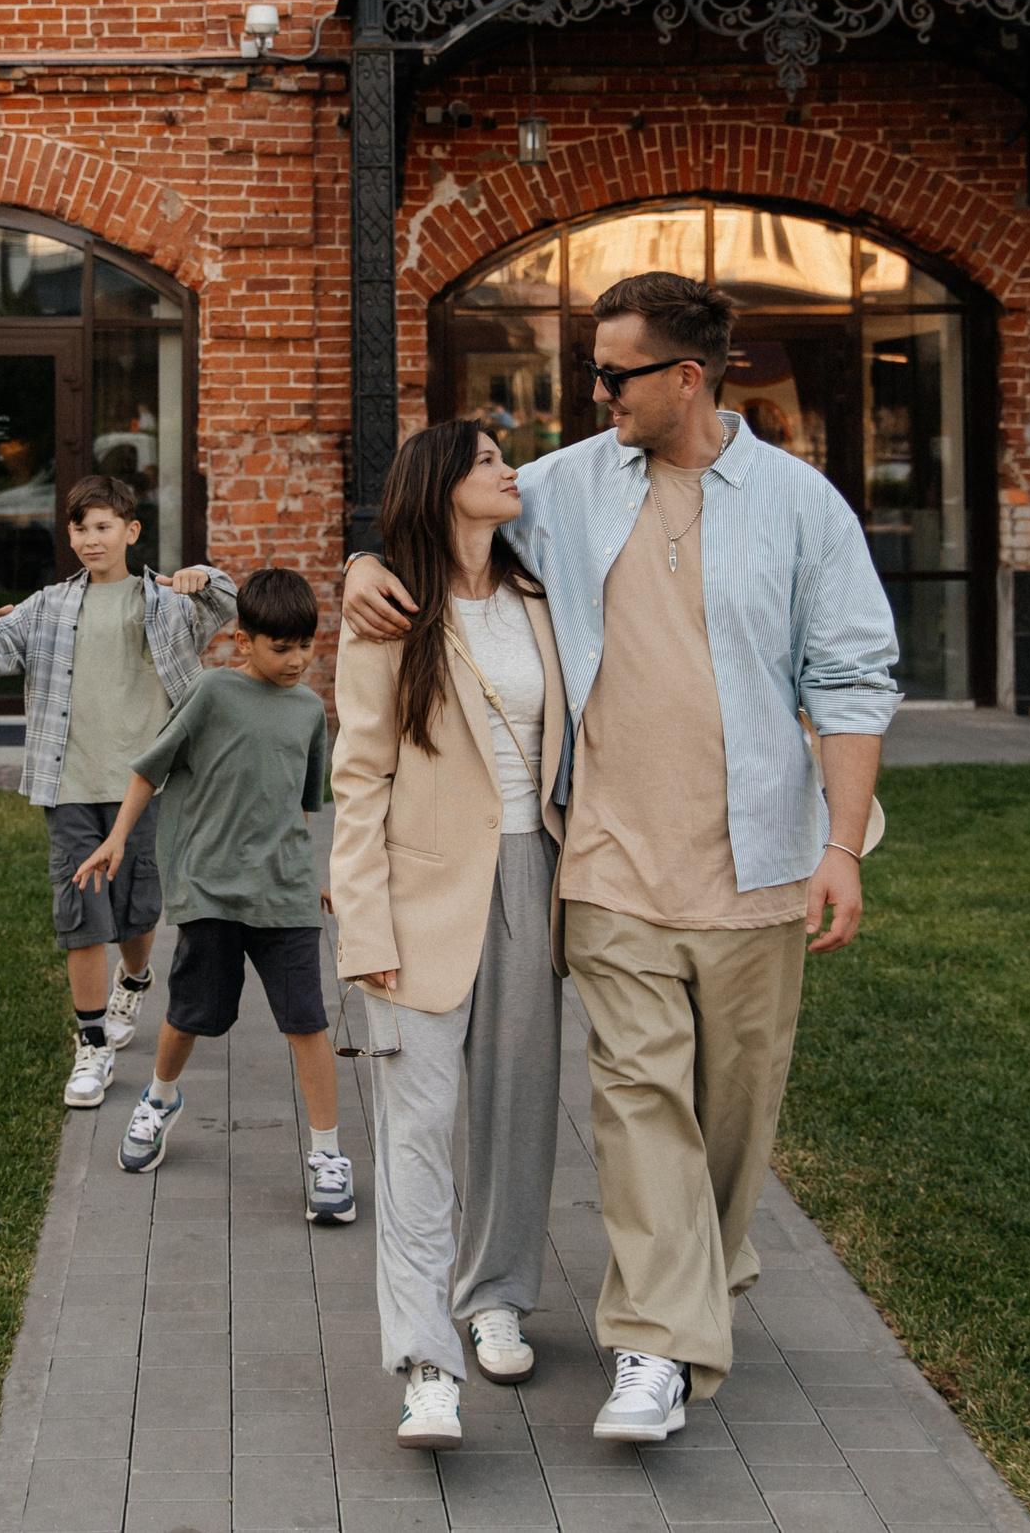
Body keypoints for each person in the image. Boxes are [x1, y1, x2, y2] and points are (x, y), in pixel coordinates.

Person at [343, 272, 898, 1441]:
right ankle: (652, 1348)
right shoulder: (563, 487)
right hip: (602, 864)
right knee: (640, 1103)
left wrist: (841, 845)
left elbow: (853, 681)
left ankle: (698, 1276)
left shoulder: (803, 508)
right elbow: (437, 522)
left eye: (612, 375)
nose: (592, 392)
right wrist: (358, 567)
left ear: (685, 379)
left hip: (759, 861)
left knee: (731, 1120)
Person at [330, 421, 569, 1451]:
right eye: (486, 460)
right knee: (417, 1130)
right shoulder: (389, 610)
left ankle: (497, 1294)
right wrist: (363, 922)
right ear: (438, 488)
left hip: (533, 873)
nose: (510, 471)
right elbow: (358, 776)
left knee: (519, 1107)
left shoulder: (542, 589)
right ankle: (427, 1365)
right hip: (418, 892)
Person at [71, 569, 352, 1225]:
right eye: (281, 647)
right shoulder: (212, 692)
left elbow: (298, 804)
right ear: (243, 642)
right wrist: (117, 837)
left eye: (305, 645)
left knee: (307, 1020)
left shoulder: (310, 711)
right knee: (191, 1013)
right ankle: (160, 1098)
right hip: (211, 891)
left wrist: (307, 872)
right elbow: (151, 768)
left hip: (283, 895)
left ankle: (327, 1155)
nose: (297, 659)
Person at [0, 475, 237, 1111]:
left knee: (136, 910)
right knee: (81, 912)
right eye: (80, 528)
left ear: (131, 532)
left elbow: (226, 604)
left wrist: (202, 577)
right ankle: (91, 1044)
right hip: (70, 783)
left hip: (147, 784)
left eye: (103, 527)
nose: (90, 539)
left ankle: (133, 979)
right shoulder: (48, 605)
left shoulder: (165, 602)